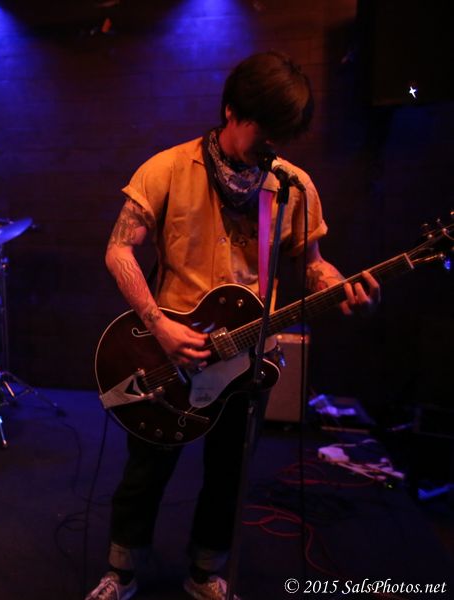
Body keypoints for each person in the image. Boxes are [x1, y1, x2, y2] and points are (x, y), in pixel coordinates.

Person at [86, 52, 380, 600]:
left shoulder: (292, 185)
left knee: (229, 474)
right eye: (263, 129)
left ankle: (205, 572)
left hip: (249, 358)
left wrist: (342, 287)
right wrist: (158, 324)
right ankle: (121, 572)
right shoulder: (168, 168)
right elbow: (118, 249)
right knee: (146, 470)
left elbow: (313, 263)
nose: (271, 144)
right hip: (173, 353)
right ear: (231, 111)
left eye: (281, 134)